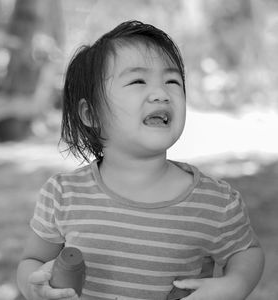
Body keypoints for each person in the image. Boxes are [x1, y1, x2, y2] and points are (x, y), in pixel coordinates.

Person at [17, 20, 264, 300]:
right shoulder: (63, 195)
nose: (162, 93)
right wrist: (34, 288)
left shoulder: (215, 202)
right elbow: (32, 262)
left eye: (173, 81)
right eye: (138, 81)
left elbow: (247, 252)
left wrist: (236, 284)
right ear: (91, 114)